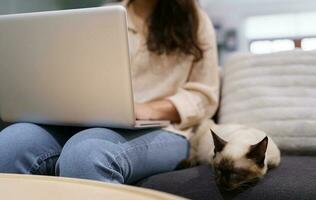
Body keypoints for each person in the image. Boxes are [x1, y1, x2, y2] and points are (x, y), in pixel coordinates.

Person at [0, 0, 219, 184]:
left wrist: (149, 109)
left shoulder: (196, 20)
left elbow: (205, 96)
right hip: (89, 120)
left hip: (166, 128)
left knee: (86, 154)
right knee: (10, 143)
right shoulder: (103, 16)